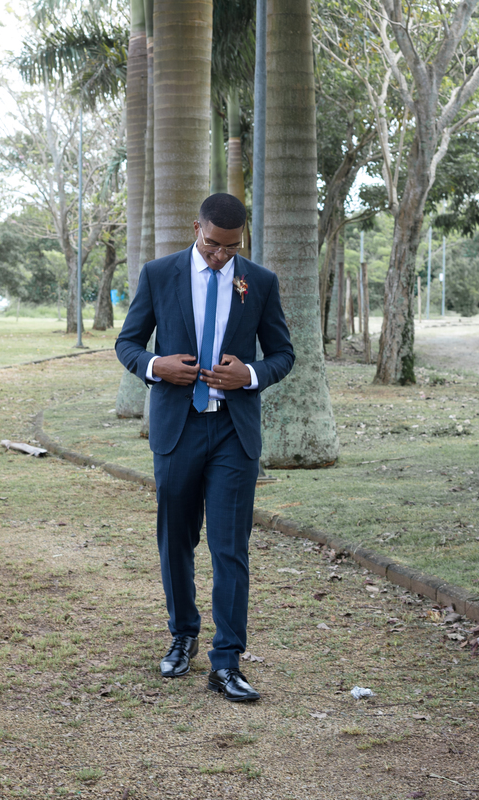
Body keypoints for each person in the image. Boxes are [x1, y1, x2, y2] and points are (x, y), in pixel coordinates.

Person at [115, 193, 294, 702]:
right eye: (212, 244)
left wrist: (252, 374)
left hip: (234, 434)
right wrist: (156, 367)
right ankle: (182, 635)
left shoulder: (258, 282)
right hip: (177, 428)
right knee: (176, 539)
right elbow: (127, 343)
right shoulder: (159, 274)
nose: (220, 256)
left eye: (230, 248)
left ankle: (227, 661)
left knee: (229, 547)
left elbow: (283, 353)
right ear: (196, 228)